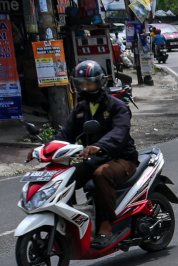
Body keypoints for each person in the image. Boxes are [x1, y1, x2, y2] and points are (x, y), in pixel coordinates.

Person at [55, 60, 139, 247]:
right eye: (81, 83)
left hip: (122, 158)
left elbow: (119, 133)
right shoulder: (81, 109)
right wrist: (44, 149)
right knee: (64, 173)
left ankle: (106, 226)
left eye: (89, 83)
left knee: (102, 174)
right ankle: (69, 220)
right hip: (92, 157)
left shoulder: (117, 107)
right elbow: (65, 133)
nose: (85, 87)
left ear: (100, 82)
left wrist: (99, 145)